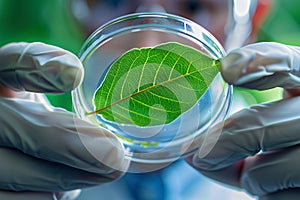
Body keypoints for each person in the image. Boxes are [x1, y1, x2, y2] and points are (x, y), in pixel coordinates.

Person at [0, 0, 297, 200]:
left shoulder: (279, 170)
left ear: (252, 19)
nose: (147, 44)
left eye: (194, 5)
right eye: (114, 1)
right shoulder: (39, 162)